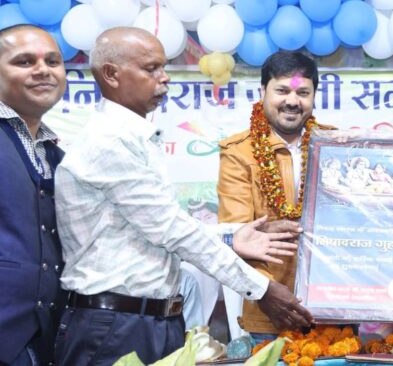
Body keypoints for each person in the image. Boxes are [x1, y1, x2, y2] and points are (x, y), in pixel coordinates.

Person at [54, 27, 310, 365]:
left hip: (150, 321)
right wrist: (261, 289)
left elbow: (156, 226)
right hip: (115, 325)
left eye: (164, 68)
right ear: (111, 74)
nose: (164, 78)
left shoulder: (134, 136)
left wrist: (232, 236)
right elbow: (170, 229)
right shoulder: (110, 141)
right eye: (151, 69)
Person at [218, 51, 334, 338]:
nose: (292, 101)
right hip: (269, 308)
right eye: (282, 90)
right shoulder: (239, 153)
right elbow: (236, 235)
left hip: (333, 305)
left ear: (314, 96)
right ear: (262, 92)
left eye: (303, 92)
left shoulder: (336, 146)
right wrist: (267, 292)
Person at [0, 25, 66, 366]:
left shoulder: (57, 155)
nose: (43, 70)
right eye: (24, 61)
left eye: (52, 61)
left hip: (45, 341)